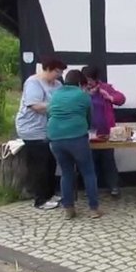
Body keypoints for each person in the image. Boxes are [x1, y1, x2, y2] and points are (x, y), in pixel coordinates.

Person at [47, 70, 101, 220]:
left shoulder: (56, 94)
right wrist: (86, 128)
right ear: (80, 83)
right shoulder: (83, 96)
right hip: (77, 137)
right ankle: (93, 209)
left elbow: (49, 114)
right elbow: (90, 118)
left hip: (55, 138)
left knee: (66, 173)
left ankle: (68, 209)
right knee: (88, 172)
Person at [15, 58, 66, 210]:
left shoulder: (57, 85)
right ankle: (40, 198)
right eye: (57, 71)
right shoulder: (33, 83)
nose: (59, 75)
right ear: (48, 68)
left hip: (50, 128)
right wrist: (57, 106)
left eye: (61, 72)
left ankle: (50, 194)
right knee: (40, 164)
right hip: (32, 129)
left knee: (51, 162)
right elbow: (35, 105)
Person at [81, 65, 126, 197]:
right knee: (90, 161)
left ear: (96, 78)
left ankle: (114, 186)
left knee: (108, 160)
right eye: (86, 79)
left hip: (106, 132)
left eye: (90, 79)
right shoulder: (81, 90)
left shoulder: (105, 88)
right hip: (87, 133)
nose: (88, 82)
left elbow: (121, 99)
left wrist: (109, 97)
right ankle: (91, 188)